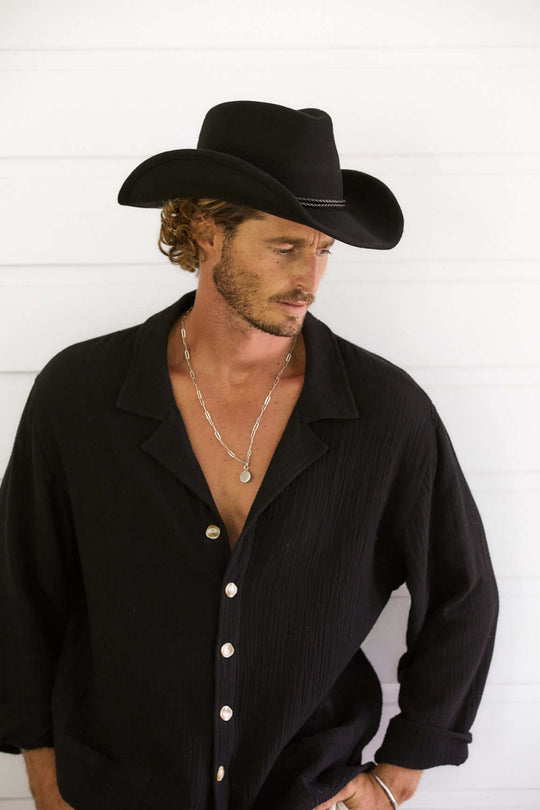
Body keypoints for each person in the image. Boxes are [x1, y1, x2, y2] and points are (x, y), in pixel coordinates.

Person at [0, 101, 499, 810]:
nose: (311, 278)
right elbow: (22, 588)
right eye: (285, 246)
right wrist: (44, 772)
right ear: (207, 234)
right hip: (116, 789)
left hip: (304, 790)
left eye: (324, 249)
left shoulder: (385, 413)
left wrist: (402, 769)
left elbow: (462, 594)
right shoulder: (80, 395)